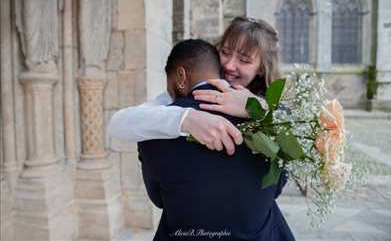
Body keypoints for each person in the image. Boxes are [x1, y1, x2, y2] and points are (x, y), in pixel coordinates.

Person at [138, 39, 294, 240]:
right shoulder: (276, 124)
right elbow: (275, 188)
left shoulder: (152, 129)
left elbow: (159, 199)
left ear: (180, 76)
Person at [108, 17, 281, 156]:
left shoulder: (272, 107)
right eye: (225, 52)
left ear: (261, 68)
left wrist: (259, 108)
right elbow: (119, 124)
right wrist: (187, 119)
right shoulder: (193, 92)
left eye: (244, 60)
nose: (229, 65)